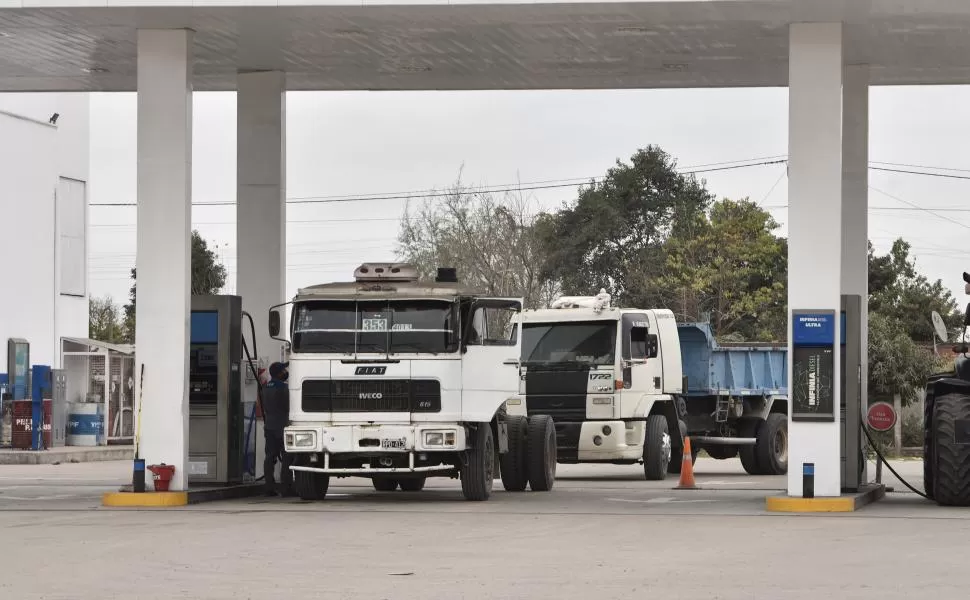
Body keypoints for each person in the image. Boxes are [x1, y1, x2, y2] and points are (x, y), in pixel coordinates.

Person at [263, 361, 294, 497]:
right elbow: (288, 407)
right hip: (283, 426)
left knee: (270, 457)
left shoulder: (265, 387)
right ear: (279, 373)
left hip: (269, 425)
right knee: (287, 457)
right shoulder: (284, 388)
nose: (285, 372)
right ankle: (286, 488)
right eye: (283, 370)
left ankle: (269, 486)